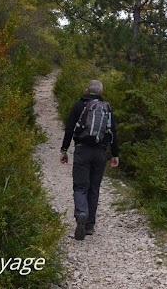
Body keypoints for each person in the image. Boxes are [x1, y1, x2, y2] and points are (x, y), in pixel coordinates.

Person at [60, 79, 120, 241]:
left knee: (80, 186)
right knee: (94, 187)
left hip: (82, 150)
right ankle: (89, 226)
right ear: (101, 92)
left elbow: (70, 128)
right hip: (100, 152)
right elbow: (112, 131)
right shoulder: (106, 107)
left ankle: (81, 213)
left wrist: (64, 150)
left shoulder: (79, 105)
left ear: (87, 89)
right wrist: (115, 155)